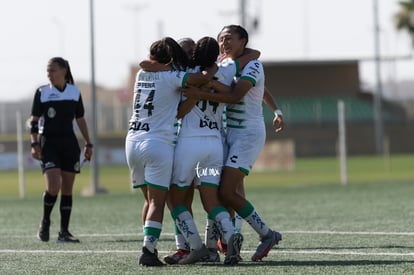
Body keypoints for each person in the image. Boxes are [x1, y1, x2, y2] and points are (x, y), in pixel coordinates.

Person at [182, 25, 283, 262]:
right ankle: (220, 245)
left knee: (227, 191)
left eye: (228, 38)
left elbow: (236, 95)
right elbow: (261, 88)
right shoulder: (225, 63)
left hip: (247, 135)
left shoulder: (254, 65)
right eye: (220, 39)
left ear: (242, 41)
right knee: (217, 189)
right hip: (226, 134)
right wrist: (276, 109)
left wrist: (201, 94)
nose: (223, 43)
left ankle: (267, 235)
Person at [125, 37, 212, 266]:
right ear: (171, 59)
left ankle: (179, 246)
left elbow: (146, 65)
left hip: (132, 142)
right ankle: (148, 250)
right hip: (158, 144)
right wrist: (211, 69)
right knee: (158, 202)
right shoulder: (172, 77)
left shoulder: (141, 74)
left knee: (150, 200)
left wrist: (191, 97)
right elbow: (199, 78)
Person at [30, 57, 93, 243]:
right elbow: (33, 121)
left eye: (53, 70)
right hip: (49, 144)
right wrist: (34, 144)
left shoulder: (74, 92)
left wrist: (88, 143)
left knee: (67, 189)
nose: (49, 74)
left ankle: (64, 232)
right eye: (48, 71)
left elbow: (80, 119)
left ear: (64, 70)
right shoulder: (42, 92)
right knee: (53, 187)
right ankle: (46, 220)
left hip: (69, 144)